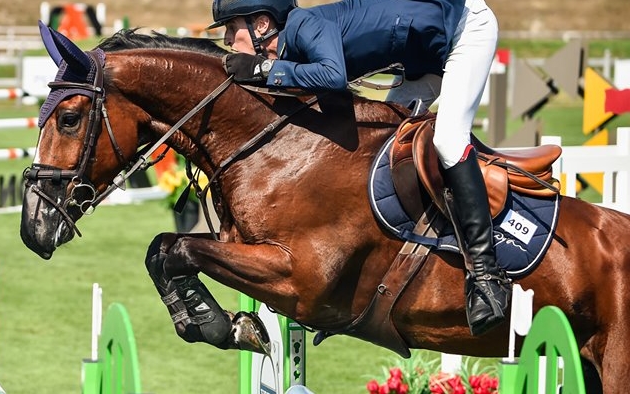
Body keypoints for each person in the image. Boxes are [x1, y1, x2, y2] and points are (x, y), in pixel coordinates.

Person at [210, 0, 510, 336]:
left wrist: (264, 71)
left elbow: (333, 76)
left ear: (261, 25)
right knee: (379, 150)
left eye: (231, 29)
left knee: (448, 141)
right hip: (422, 61)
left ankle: (486, 275)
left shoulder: (305, 26)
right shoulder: (292, 47)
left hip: (465, 32)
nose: (227, 39)